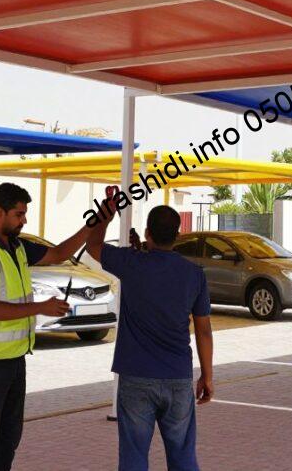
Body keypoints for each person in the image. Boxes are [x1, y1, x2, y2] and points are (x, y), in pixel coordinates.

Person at [0, 183, 115, 471]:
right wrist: (40, 308)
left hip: (13, 361)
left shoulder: (16, 247)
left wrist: (95, 222)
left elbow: (59, 253)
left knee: (6, 441)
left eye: (24, 213)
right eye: (19, 214)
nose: (24, 220)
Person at [84, 197, 213, 471]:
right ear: (178, 235)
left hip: (135, 377)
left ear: (147, 233)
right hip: (178, 378)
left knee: (133, 457)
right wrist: (207, 376)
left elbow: (92, 245)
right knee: (183, 456)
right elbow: (204, 331)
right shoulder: (194, 274)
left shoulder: (130, 263)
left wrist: (106, 213)